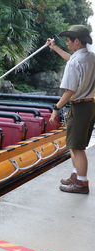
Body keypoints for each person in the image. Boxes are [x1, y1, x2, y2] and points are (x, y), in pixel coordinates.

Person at [46, 25, 95, 194]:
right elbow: (71, 58)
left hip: (80, 106)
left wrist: (56, 108)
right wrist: (54, 47)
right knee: (75, 144)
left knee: (77, 147)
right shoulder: (90, 56)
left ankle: (82, 183)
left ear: (77, 41)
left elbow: (70, 91)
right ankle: (76, 175)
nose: (67, 43)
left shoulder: (76, 61)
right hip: (90, 105)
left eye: (68, 40)